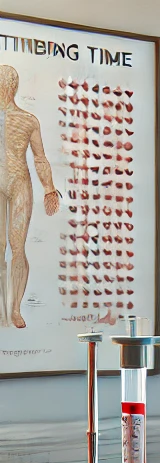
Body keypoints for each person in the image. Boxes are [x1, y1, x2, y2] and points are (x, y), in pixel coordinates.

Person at [0, 65, 59, 329]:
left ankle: (15, 308)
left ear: (12, 86)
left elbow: (40, 157)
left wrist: (49, 188)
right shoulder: (28, 119)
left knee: (18, 247)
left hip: (19, 182)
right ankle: (5, 307)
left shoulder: (28, 120)